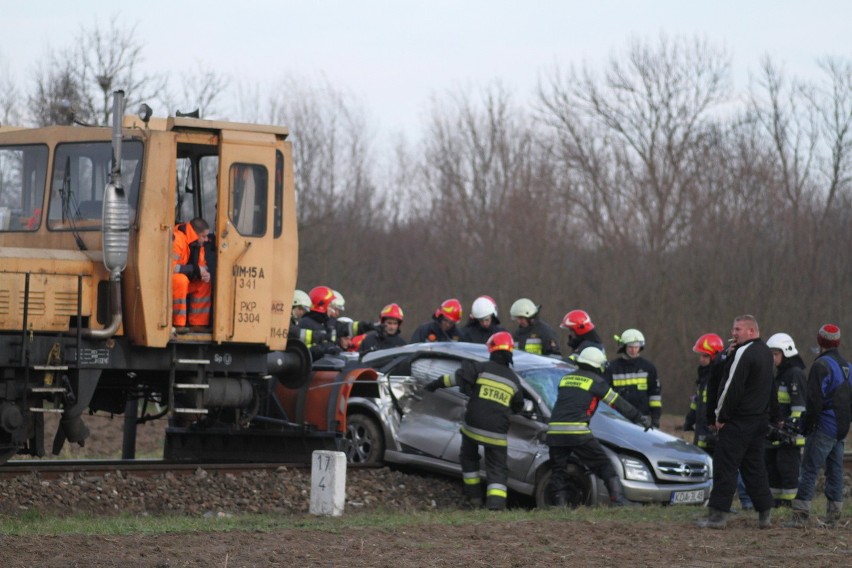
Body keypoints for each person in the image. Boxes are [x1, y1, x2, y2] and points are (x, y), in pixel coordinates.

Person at [424, 331, 526, 510]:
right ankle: (495, 507)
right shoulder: (514, 380)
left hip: (473, 427)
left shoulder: (481, 368)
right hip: (497, 432)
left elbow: (454, 378)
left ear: (492, 350)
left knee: (469, 458)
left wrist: (433, 385)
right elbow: (519, 406)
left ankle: (474, 499)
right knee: (497, 469)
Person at [546, 346, 652, 507]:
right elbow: (617, 403)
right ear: (598, 365)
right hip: (577, 432)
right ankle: (618, 499)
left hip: (554, 431)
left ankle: (558, 505)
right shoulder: (596, 382)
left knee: (558, 470)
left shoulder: (565, 379)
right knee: (603, 464)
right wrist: (639, 417)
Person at [699, 315, 775, 529]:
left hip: (738, 421)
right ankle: (764, 513)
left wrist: (720, 417)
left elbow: (731, 388)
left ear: (751, 331)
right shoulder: (766, 352)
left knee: (725, 466)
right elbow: (770, 387)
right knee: (754, 467)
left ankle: (717, 516)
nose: (733, 333)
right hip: (759, 420)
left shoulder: (744, 352)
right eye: (733, 329)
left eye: (738, 329)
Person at [788, 324, 852, 528]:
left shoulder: (820, 366)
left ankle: (799, 517)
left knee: (809, 469)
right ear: (838, 342)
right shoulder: (848, 367)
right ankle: (834, 518)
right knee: (835, 471)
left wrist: (806, 426)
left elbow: (814, 402)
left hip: (824, 426)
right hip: (841, 428)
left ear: (819, 341)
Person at [764, 332, 806, 508]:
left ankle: (790, 504)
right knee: (772, 467)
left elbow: (799, 409)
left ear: (786, 353)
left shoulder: (794, 374)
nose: (773, 358)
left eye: (775, 354)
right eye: (771, 354)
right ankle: (775, 502)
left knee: (787, 469)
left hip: (790, 435)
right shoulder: (779, 375)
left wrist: (789, 428)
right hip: (776, 432)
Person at [604, 329, 662, 428]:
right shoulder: (612, 368)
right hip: (618, 417)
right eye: (630, 347)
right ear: (624, 347)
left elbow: (655, 395)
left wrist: (655, 417)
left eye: (636, 347)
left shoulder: (648, 367)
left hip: (643, 418)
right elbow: (605, 393)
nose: (634, 350)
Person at [684, 333, 725, 453]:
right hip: (701, 429)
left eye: (705, 356)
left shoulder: (719, 377)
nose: (701, 359)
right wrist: (690, 419)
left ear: (714, 357)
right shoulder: (703, 376)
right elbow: (697, 401)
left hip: (712, 432)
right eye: (700, 355)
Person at [171, 217, 212, 333]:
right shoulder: (177, 239)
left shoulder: (198, 245)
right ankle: (178, 324)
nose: (207, 239)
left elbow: (202, 265)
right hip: (168, 282)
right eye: (204, 236)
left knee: (204, 283)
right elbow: (170, 268)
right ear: (195, 234)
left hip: (185, 280)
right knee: (181, 280)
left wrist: (204, 273)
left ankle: (198, 324)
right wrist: (194, 269)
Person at [299, 286, 341, 360]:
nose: (332, 311)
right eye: (330, 306)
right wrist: (324, 349)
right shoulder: (305, 323)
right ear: (322, 306)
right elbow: (303, 351)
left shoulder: (326, 322)